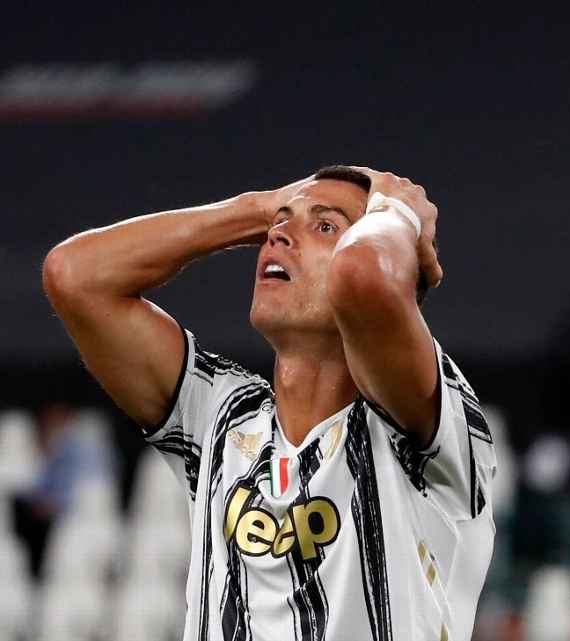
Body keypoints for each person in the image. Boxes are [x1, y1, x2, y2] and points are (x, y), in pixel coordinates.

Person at [42, 166, 497, 641]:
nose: (278, 236)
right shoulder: (222, 418)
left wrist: (397, 209)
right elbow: (75, 276)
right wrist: (257, 209)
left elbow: (364, 277)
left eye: (326, 227)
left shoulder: (429, 427)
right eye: (279, 225)